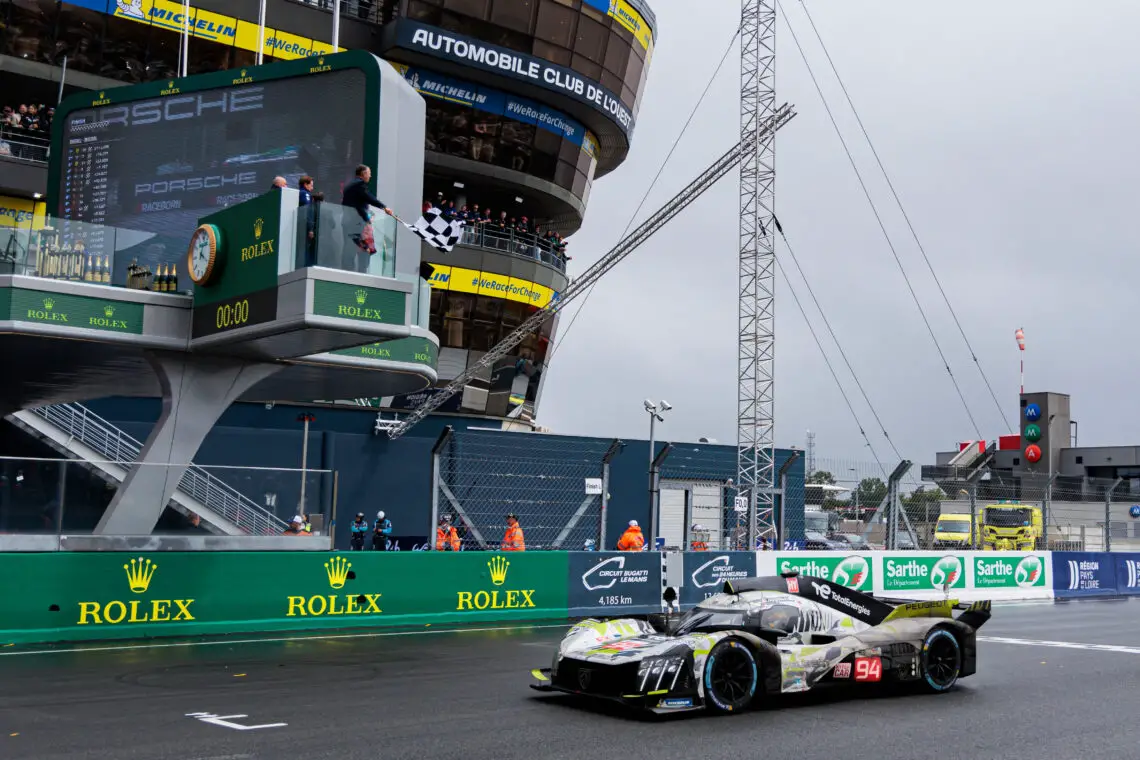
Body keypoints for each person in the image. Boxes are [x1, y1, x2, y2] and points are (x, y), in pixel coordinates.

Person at [340, 164, 393, 272]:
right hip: (355, 223)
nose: (370, 176)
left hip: (347, 221)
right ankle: (352, 274)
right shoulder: (359, 184)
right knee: (356, 250)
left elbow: (358, 204)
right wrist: (384, 207)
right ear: (363, 174)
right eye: (369, 174)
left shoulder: (350, 185)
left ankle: (347, 272)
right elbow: (369, 197)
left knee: (349, 248)